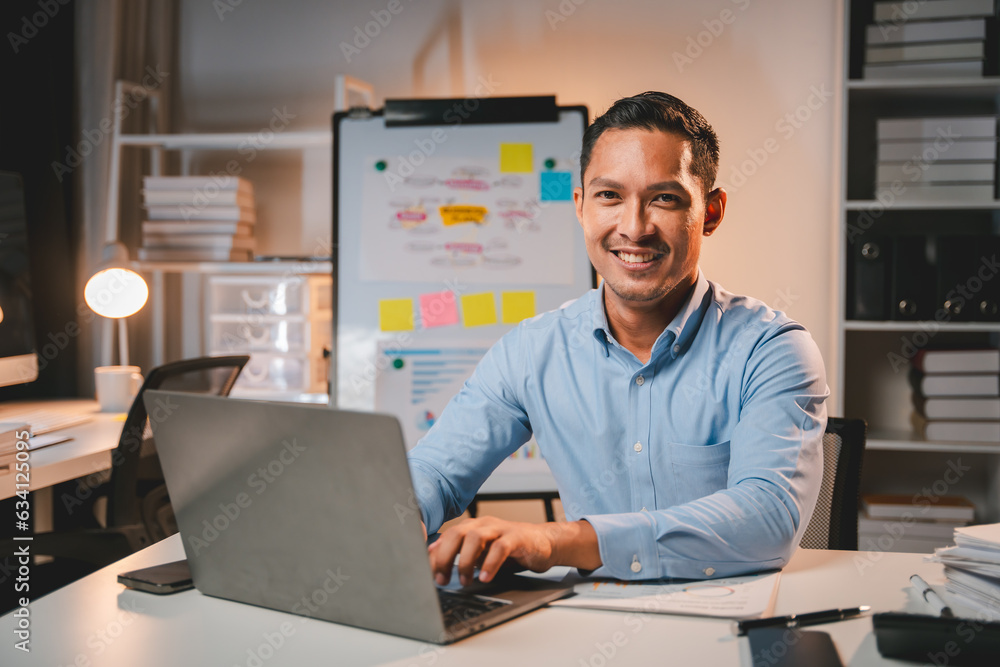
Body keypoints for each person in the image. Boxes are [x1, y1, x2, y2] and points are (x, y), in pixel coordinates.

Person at [407, 91, 828, 587]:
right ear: (582, 207)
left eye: (664, 199)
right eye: (610, 196)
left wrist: (554, 542)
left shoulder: (772, 350)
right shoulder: (530, 352)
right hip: (587, 627)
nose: (634, 228)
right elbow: (433, 471)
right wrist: (395, 520)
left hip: (728, 630)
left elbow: (767, 519)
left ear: (711, 213)